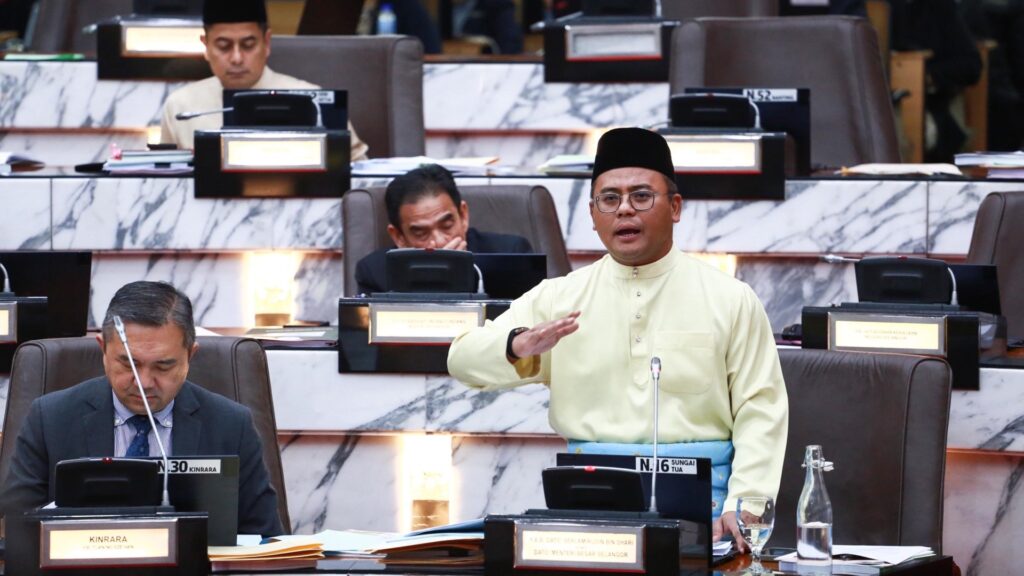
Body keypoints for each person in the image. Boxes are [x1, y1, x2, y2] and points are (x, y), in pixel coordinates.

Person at [447, 128, 788, 551]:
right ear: (593, 215)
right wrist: (517, 345)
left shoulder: (730, 298)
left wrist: (746, 503)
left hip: (707, 509)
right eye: (609, 199)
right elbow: (460, 359)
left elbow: (761, 407)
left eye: (641, 196)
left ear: (675, 207)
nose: (624, 209)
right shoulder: (559, 299)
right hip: (590, 504)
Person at [0, 281, 283, 536]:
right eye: (128, 364)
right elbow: (15, 533)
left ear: (190, 355)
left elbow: (265, 540)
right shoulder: (50, 419)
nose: (144, 382)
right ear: (103, 349)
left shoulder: (231, 425)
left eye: (163, 366)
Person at [160, 0, 369, 160]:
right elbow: (165, 182)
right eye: (224, 46)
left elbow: (359, 173)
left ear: (266, 43)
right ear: (206, 46)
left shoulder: (313, 99)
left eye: (248, 45)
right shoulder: (182, 107)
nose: (236, 58)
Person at [354, 164, 534, 295]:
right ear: (398, 237)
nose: (439, 241)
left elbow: (527, 326)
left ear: (463, 215)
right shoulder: (374, 272)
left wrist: (464, 278)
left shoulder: (510, 255)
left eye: (447, 225)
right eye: (421, 233)